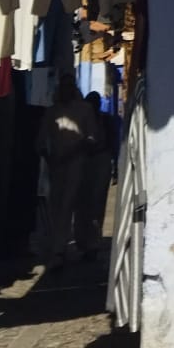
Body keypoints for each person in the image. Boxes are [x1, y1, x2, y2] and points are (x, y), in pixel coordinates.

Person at [40, 75, 89, 268]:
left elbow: (91, 137)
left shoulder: (84, 111)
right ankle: (57, 246)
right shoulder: (52, 113)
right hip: (56, 164)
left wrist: (75, 151)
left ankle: (62, 247)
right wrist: (49, 157)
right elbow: (41, 139)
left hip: (77, 163)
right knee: (56, 205)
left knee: (70, 205)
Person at [74, 91, 114, 261]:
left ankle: (93, 243)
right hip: (84, 160)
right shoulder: (80, 121)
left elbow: (112, 140)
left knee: (97, 203)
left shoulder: (106, 120)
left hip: (100, 160)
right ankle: (82, 242)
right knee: (82, 203)